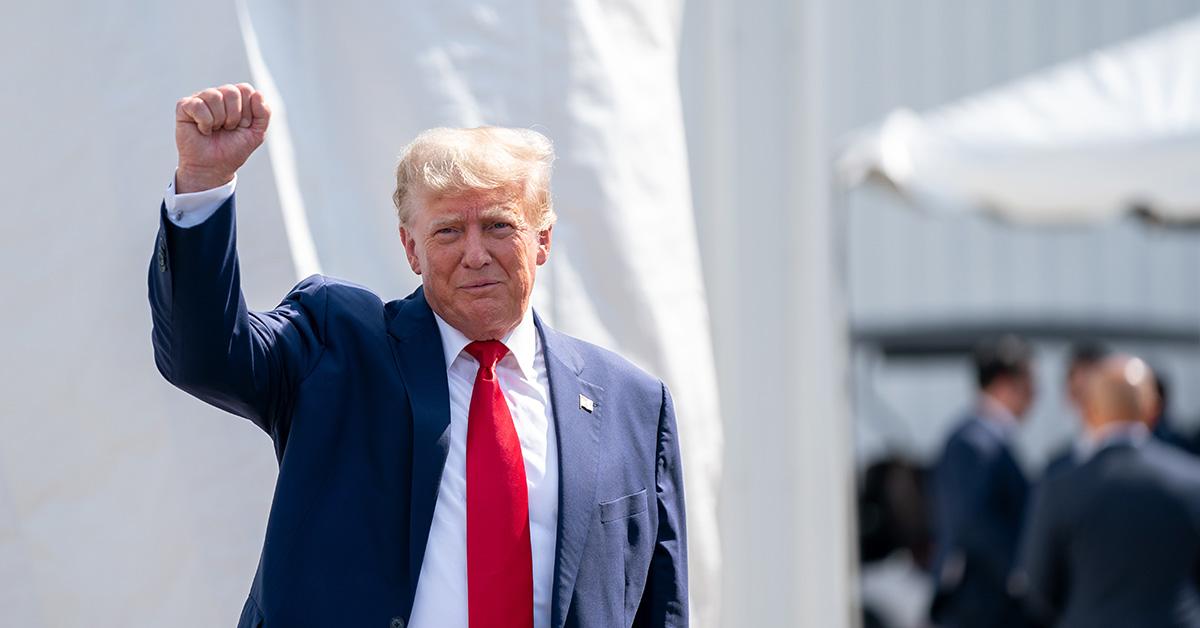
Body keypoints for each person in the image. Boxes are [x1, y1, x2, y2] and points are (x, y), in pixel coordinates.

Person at [149, 83, 688, 628]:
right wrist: (204, 185)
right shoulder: (336, 343)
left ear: (542, 239)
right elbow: (205, 355)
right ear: (412, 249)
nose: (475, 254)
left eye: (499, 225)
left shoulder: (631, 403)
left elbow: (658, 605)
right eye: (448, 231)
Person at [1016, 356, 1200, 627]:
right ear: (1152, 409)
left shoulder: (1059, 488)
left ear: (1088, 410)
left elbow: (1037, 587)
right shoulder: (1191, 481)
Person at [929, 335, 1036, 628]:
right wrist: (1021, 573)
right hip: (979, 602)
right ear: (1004, 383)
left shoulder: (988, 439)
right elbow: (972, 522)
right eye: (1029, 383)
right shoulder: (973, 442)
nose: (1036, 393)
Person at [1042, 341, 1109, 479]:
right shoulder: (1057, 467)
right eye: (1080, 393)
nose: (1088, 407)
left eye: (1095, 395)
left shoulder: (1142, 462)